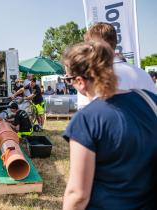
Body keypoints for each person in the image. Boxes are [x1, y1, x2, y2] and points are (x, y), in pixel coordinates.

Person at [61, 41, 157, 210]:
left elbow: (78, 194)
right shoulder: (150, 100)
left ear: (80, 81)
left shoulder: (86, 120)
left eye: (68, 80)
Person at [77, 22, 157, 109]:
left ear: (91, 46)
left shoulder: (90, 76)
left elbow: (85, 115)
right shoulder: (143, 74)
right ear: (115, 42)